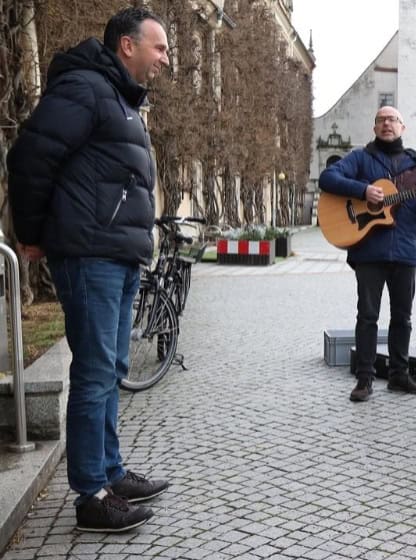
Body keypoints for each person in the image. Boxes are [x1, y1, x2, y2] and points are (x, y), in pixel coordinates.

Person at [6, 7, 171, 532]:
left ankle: (111, 471)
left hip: (117, 254)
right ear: (128, 45)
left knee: (111, 370)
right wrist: (31, 235)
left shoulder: (119, 99)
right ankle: (91, 496)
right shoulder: (85, 88)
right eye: (160, 47)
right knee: (95, 372)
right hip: (89, 254)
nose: (166, 58)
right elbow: (31, 155)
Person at [319, 106, 416, 402]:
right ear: (375, 127)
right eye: (380, 120)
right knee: (367, 316)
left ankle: (399, 376)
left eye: (392, 120)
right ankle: (364, 379)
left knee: (402, 318)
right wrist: (363, 189)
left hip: (405, 251)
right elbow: (327, 178)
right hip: (369, 250)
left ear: (402, 127)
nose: (386, 124)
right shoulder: (361, 157)